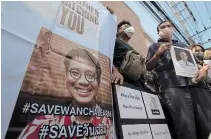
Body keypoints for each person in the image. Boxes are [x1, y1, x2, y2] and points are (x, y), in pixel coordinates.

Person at [18, 49, 113, 139]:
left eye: (91, 75)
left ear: (98, 82)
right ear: (65, 77)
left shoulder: (110, 125)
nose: (83, 81)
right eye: (75, 73)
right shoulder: (40, 126)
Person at [146, 20, 211, 139]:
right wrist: (157, 54)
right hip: (174, 88)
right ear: (158, 32)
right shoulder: (154, 46)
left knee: (207, 123)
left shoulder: (183, 46)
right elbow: (148, 67)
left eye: (169, 26)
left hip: (197, 86)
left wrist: (203, 70)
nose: (166, 28)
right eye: (163, 27)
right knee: (185, 128)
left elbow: (199, 64)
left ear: (173, 29)